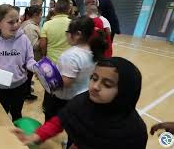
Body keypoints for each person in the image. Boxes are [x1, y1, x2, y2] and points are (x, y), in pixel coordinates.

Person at [13, 57, 148, 149]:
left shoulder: (134, 132)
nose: (95, 86)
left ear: (125, 92)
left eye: (107, 84)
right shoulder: (82, 101)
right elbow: (60, 120)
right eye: (94, 79)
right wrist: (37, 136)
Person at [43, 16, 107, 121]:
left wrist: (45, 76)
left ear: (78, 34)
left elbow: (66, 83)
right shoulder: (94, 50)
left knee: (53, 122)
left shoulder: (71, 56)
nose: (67, 35)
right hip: (81, 96)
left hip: (64, 99)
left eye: (68, 32)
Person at [0, 4, 36, 121]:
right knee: (1, 117)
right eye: (11, 22)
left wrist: (35, 67)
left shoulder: (24, 39)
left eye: (17, 21)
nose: (16, 25)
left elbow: (29, 59)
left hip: (20, 86)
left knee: (17, 115)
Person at [21, 5, 43, 101]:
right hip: (30, 58)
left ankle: (26, 91)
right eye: (40, 15)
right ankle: (26, 94)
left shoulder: (29, 25)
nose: (41, 17)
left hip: (28, 58)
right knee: (28, 76)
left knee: (28, 76)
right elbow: (33, 45)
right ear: (35, 15)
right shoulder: (30, 27)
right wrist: (44, 40)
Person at [40, 0, 71, 64]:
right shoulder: (73, 24)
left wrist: (43, 56)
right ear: (69, 9)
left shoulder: (47, 24)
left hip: (51, 60)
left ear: (55, 9)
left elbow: (43, 45)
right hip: (68, 61)